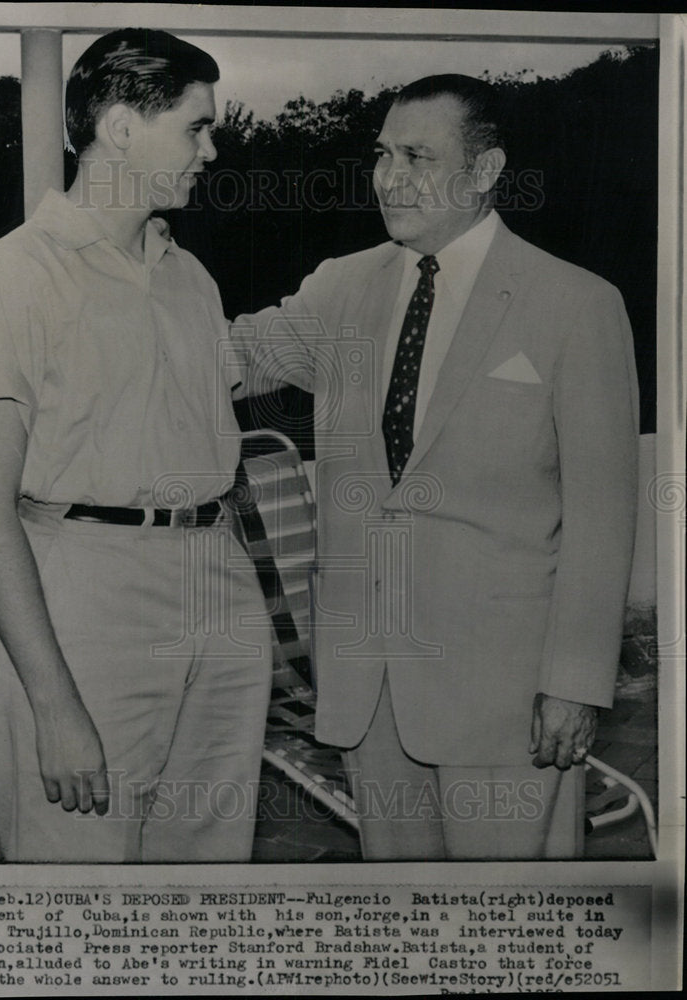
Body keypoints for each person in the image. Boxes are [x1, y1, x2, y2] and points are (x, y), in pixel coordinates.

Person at [233, 74, 639, 860]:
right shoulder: (342, 287)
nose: (388, 177)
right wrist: (140, 291)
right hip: (367, 686)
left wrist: (576, 682)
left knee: (515, 931)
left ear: (485, 171)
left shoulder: (574, 304)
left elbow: (603, 513)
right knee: (408, 923)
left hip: (506, 688)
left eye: (417, 156)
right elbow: (234, 357)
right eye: (382, 154)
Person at [0, 28, 272, 863]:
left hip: (217, 585)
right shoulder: (9, 277)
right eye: (197, 126)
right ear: (122, 128)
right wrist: (52, 704)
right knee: (77, 877)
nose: (212, 147)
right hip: (83, 599)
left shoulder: (189, 275)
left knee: (206, 878)